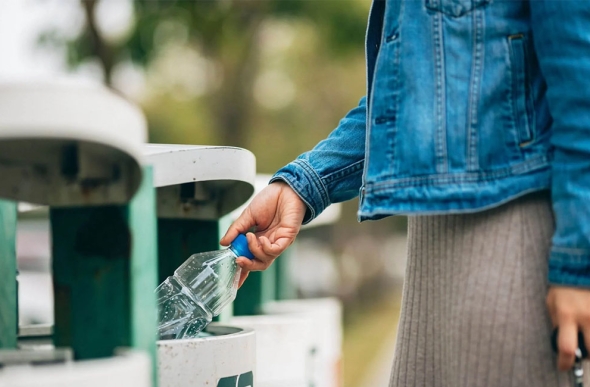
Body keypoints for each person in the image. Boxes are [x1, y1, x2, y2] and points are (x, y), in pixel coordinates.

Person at [221, 1, 590, 386]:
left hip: (515, 242)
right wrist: (303, 184)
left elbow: (582, 82)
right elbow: (406, 100)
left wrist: (578, 265)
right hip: (430, 254)